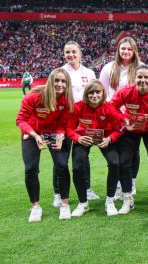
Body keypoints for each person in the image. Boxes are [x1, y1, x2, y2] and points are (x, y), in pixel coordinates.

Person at [16, 68, 74, 222]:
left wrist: (61, 134)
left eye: (63, 81)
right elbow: (21, 120)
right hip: (33, 132)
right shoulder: (34, 96)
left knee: (62, 164)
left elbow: (66, 121)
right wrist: (34, 135)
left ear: (67, 84)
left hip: (54, 132)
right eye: (57, 80)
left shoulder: (67, 99)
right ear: (50, 81)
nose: (60, 84)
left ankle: (65, 204)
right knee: (30, 169)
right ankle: (35, 207)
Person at [67, 80, 125, 217]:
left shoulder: (109, 108)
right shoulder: (77, 107)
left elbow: (120, 128)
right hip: (83, 138)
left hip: (104, 138)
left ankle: (109, 201)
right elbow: (68, 128)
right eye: (91, 92)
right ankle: (83, 203)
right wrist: (77, 138)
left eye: (97, 92)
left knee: (115, 163)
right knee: (77, 166)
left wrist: (109, 139)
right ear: (86, 94)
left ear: (103, 93)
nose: (94, 95)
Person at [111, 64, 148, 213]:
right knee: (124, 161)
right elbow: (111, 107)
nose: (142, 80)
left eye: (146, 77)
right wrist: (124, 118)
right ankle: (127, 198)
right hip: (132, 130)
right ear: (134, 78)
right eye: (139, 77)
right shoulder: (126, 91)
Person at [100, 36, 142, 197]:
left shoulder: (140, 67)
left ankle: (131, 181)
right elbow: (102, 91)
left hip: (132, 116)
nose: (125, 51)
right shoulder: (108, 68)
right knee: (116, 151)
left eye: (129, 49)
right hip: (113, 116)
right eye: (123, 48)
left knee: (133, 150)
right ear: (118, 50)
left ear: (134, 51)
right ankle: (118, 183)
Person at [61, 41, 99, 202]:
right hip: (64, 119)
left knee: (83, 156)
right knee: (61, 157)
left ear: (80, 54)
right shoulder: (60, 72)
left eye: (73, 52)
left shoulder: (89, 73)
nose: (71, 55)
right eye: (67, 52)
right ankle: (59, 193)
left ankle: (87, 188)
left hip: (84, 120)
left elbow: (95, 94)